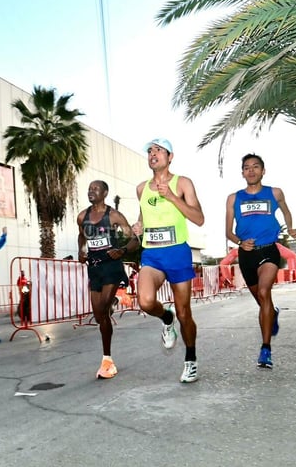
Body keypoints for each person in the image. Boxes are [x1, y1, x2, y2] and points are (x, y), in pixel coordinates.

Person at [133, 137, 204, 383]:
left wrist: (173, 197)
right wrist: (139, 226)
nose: (153, 154)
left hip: (177, 253)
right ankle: (165, 317)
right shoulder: (141, 188)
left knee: (185, 313)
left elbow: (199, 218)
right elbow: (143, 216)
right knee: (145, 301)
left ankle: (191, 360)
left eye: (159, 150)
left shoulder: (182, 183)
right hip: (152, 253)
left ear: (170, 156)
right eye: (150, 150)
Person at [225, 153, 296, 370]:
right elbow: (228, 231)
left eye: (256, 167)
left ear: (263, 171)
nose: (251, 170)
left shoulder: (274, 192)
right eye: (247, 167)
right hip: (246, 254)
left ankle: (266, 349)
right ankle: (272, 313)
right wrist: (239, 241)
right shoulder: (233, 198)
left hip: (269, 251)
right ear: (242, 173)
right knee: (261, 300)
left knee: (265, 294)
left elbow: (286, 211)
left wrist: (290, 227)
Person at [77, 180, 138, 379]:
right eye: (89, 188)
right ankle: (108, 359)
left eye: (95, 189)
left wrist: (121, 250)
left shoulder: (113, 216)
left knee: (103, 309)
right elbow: (81, 237)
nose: (91, 191)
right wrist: (81, 250)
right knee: (99, 315)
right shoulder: (82, 216)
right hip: (94, 268)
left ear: (105, 193)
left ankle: (107, 360)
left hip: (111, 266)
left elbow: (134, 240)